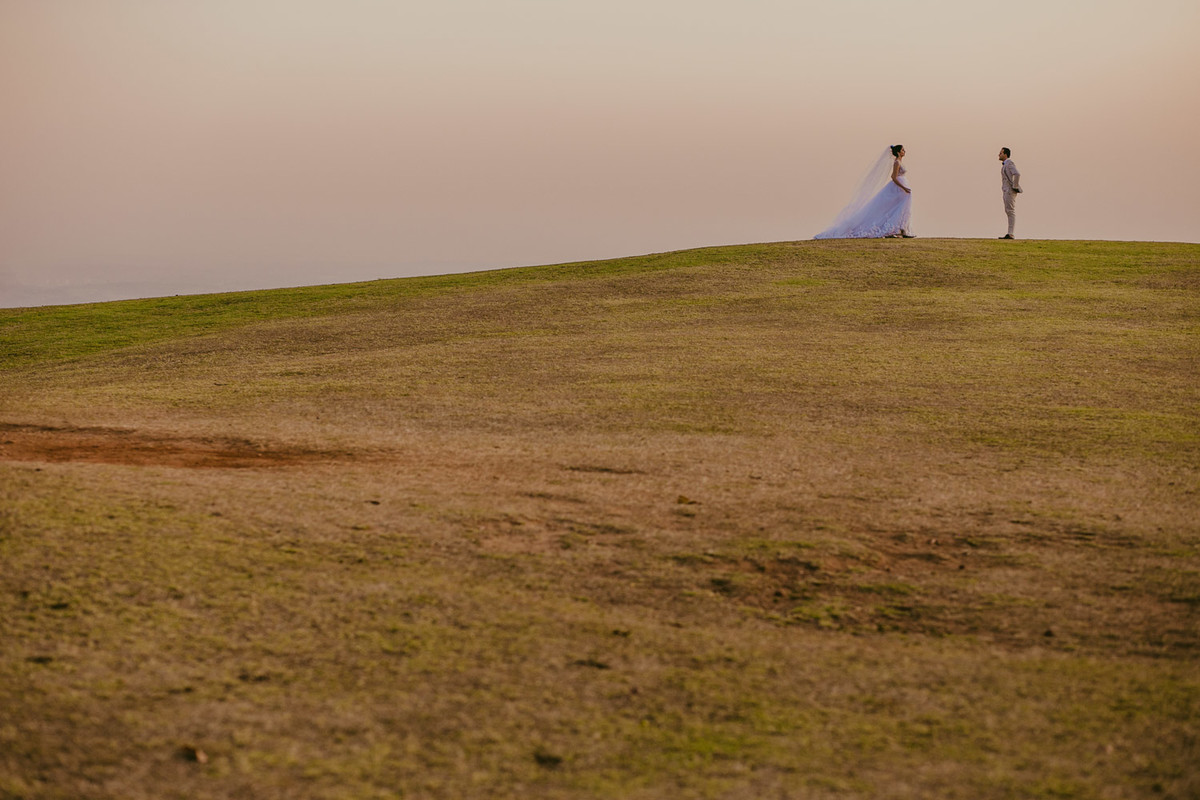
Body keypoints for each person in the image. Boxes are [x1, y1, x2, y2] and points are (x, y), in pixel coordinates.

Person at [815, 144, 913, 239]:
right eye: (903, 150)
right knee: (897, 207)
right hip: (897, 187)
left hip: (902, 185)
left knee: (902, 207)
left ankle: (903, 229)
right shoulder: (896, 163)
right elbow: (893, 177)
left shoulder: (900, 161)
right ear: (899, 152)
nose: (905, 151)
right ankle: (896, 230)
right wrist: (903, 187)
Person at [998, 147, 1022, 239]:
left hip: (1009, 190)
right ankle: (1009, 233)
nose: (999, 155)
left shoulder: (1009, 163)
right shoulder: (1005, 164)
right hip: (1006, 190)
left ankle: (1010, 233)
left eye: (1000, 153)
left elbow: (1017, 174)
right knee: (1008, 211)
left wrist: (1015, 186)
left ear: (1005, 154)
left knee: (1010, 211)